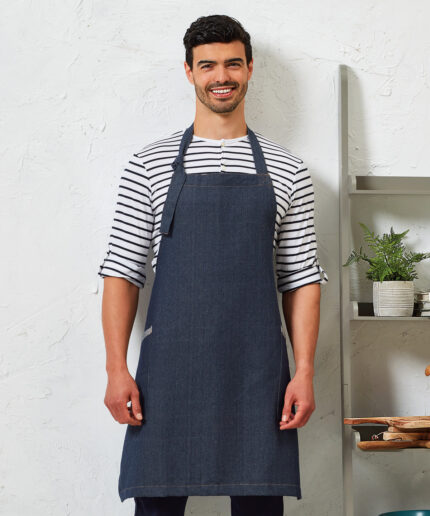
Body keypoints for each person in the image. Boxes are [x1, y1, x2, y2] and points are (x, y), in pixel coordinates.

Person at [98, 14, 328, 516]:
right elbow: (122, 273)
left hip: (257, 374)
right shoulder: (148, 165)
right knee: (156, 506)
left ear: (249, 68)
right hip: (168, 375)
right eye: (207, 65)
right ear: (189, 72)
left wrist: (305, 371)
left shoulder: (289, 169)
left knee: (259, 506)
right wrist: (116, 369)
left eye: (232, 64)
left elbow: (300, 279)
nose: (221, 76)